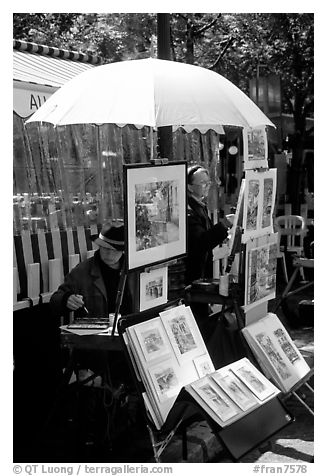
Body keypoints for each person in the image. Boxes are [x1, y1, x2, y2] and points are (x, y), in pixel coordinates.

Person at [50, 221, 133, 449]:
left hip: (128, 341)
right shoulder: (84, 271)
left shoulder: (133, 269)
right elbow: (56, 299)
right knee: (94, 384)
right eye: (103, 248)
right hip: (95, 348)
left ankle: (124, 427)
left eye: (113, 250)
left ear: (124, 251)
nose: (106, 253)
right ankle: (97, 434)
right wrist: (67, 300)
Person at [185, 164, 230, 341]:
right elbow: (201, 242)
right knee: (197, 317)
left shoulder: (199, 204)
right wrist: (224, 226)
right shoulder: (190, 210)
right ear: (190, 186)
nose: (207, 186)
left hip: (202, 268)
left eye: (208, 182)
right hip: (192, 271)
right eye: (202, 183)